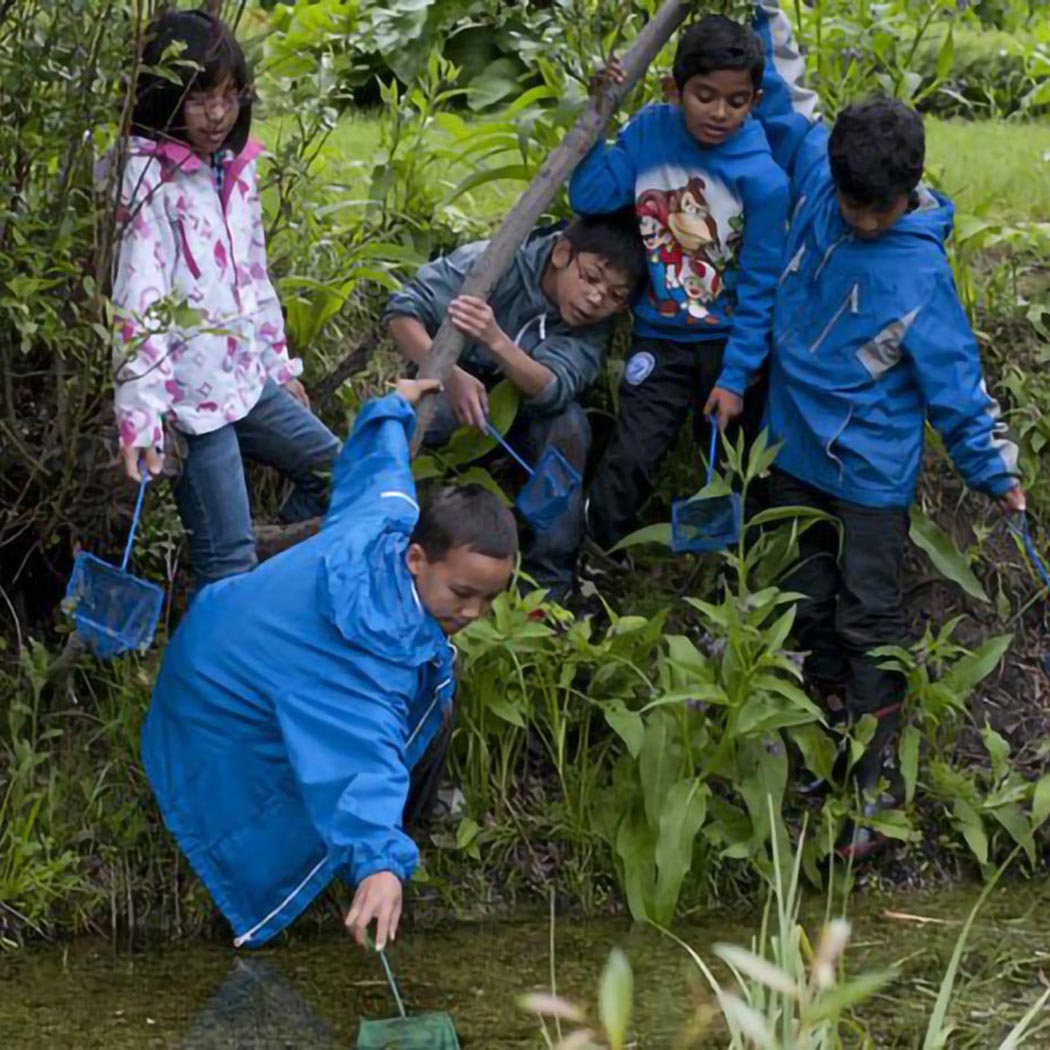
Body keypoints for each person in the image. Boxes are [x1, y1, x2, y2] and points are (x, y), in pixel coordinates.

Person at [751, 1, 1026, 854]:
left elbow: (956, 390)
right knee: (800, 604)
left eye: (876, 209)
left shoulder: (920, 275)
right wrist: (766, 13)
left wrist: (992, 470)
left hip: (869, 472)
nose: (859, 219)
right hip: (790, 449)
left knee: (868, 615)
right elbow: (786, 99)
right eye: (851, 203)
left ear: (907, 195)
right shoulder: (817, 182)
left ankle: (872, 798)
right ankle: (812, 752)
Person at [141, 379, 518, 950]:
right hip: (209, 709)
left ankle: (398, 833)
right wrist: (379, 862)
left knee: (434, 691)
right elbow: (359, 756)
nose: (474, 612)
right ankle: (381, 857)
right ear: (417, 559)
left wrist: (394, 406)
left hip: (221, 637)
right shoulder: (369, 654)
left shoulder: (386, 523)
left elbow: (380, 467)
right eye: (464, 593)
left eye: (489, 599)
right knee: (288, 798)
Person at [109, 9, 339, 590]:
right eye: (199, 97)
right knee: (227, 560)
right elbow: (139, 294)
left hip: (245, 380)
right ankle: (215, 659)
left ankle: (271, 597)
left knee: (338, 471)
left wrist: (278, 365)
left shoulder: (232, 169)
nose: (217, 114)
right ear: (163, 95)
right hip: (190, 397)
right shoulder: (144, 178)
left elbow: (252, 275)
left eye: (230, 95)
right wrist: (140, 415)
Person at [569, 15, 790, 554]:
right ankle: (596, 559)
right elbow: (591, 196)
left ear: (755, 100)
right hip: (661, 341)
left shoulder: (762, 181)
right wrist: (599, 115)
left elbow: (761, 286)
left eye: (736, 101)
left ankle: (734, 575)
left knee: (736, 466)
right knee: (632, 454)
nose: (719, 113)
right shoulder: (649, 135)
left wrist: (737, 378)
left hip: (729, 346)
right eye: (705, 96)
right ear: (675, 89)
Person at [383, 211, 647, 601]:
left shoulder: (592, 326)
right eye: (591, 278)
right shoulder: (492, 263)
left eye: (615, 296)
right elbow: (402, 312)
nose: (596, 299)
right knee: (404, 423)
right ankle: (381, 535)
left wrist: (495, 340)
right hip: (446, 373)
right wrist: (449, 374)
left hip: (524, 399)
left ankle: (549, 582)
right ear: (562, 254)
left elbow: (555, 386)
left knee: (570, 428)